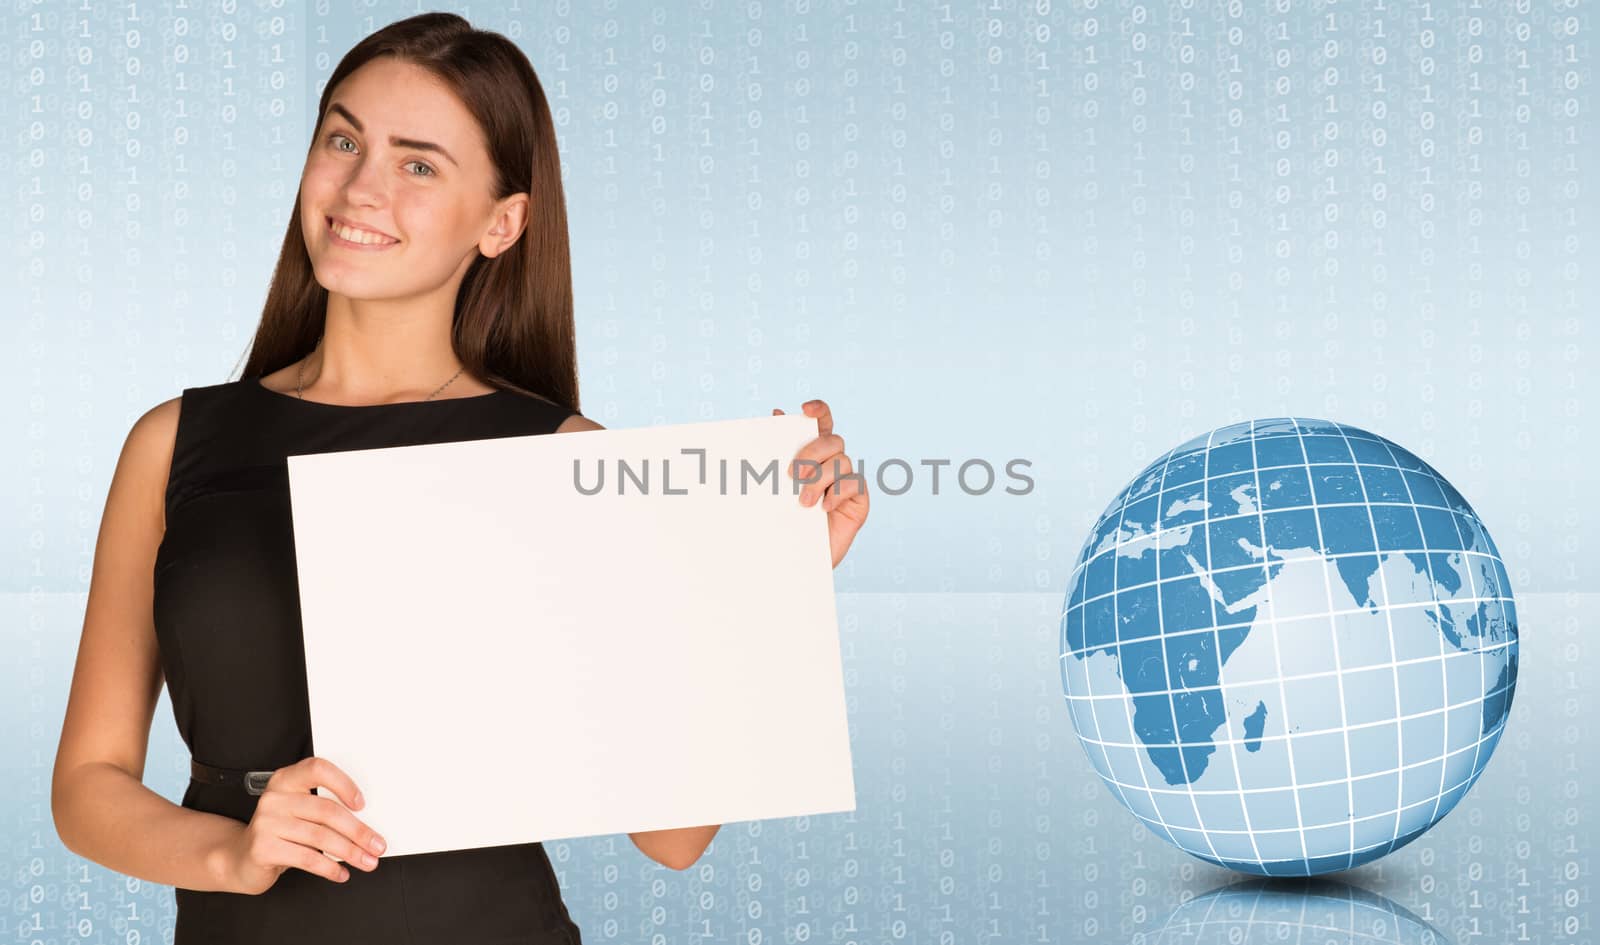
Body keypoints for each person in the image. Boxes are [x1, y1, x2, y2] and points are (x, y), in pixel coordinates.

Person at [48, 12, 870, 944]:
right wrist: (232, 856)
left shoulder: (565, 458)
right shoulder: (173, 441)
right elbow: (87, 786)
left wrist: (771, 585)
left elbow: (672, 837)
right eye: (344, 139)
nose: (362, 187)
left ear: (502, 221)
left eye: (419, 164)